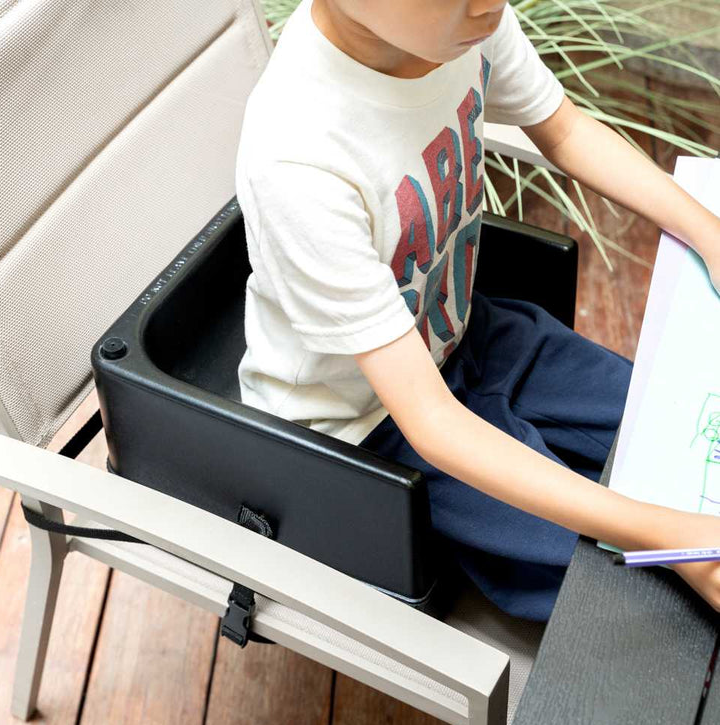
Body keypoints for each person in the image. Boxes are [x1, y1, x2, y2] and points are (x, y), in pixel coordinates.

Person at [235, 0, 720, 620]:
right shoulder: (296, 159)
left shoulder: (464, 26)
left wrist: (708, 231)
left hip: (462, 332)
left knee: (677, 437)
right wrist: (669, 539)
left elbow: (566, 132)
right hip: (366, 432)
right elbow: (431, 423)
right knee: (639, 598)